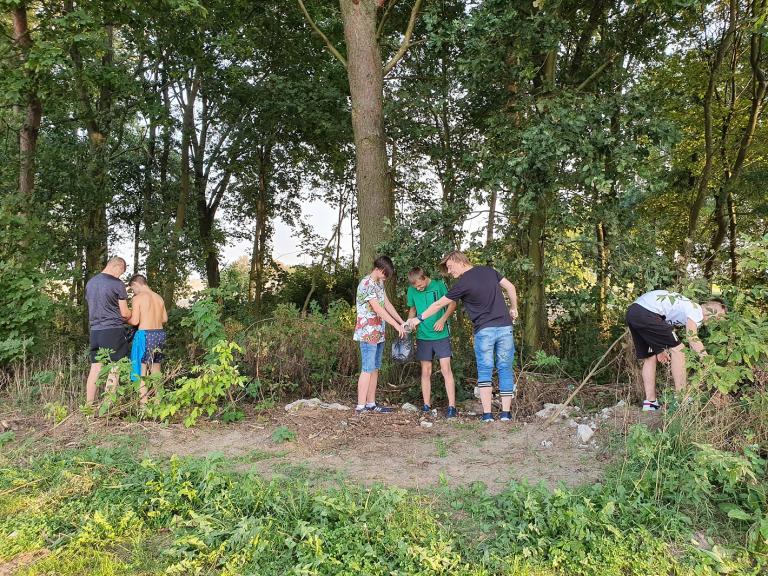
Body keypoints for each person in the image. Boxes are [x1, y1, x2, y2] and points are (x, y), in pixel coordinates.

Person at [407, 251, 518, 422]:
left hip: (485, 331)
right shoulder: (489, 271)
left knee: (485, 370)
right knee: (505, 369)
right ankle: (506, 414)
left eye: (450, 267)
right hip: (505, 327)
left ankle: (487, 415)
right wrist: (514, 308)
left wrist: (419, 318)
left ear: (458, 261)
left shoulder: (463, 283)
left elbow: (438, 304)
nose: (450, 272)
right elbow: (511, 287)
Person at [625, 290, 727, 411]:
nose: (719, 321)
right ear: (711, 310)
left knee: (650, 356)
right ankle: (681, 398)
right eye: (720, 316)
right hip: (648, 313)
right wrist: (708, 361)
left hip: (633, 312)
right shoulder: (696, 310)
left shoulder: (684, 306)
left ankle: (650, 403)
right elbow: (692, 337)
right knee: (679, 349)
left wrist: (658, 349)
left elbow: (659, 327)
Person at [354, 256, 406, 415]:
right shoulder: (366, 283)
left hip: (379, 332)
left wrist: (401, 320)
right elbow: (378, 309)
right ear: (379, 269)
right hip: (368, 332)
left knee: (375, 368)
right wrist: (395, 325)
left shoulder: (379, 283)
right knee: (367, 368)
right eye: (386, 274)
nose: (386, 277)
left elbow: (386, 304)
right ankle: (360, 407)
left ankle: (371, 404)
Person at [406, 267, 457, 417]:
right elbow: (412, 309)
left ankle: (452, 407)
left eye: (420, 285)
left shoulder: (439, 285)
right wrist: (410, 323)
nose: (418, 289)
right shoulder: (412, 290)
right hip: (423, 335)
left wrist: (443, 319)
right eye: (415, 287)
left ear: (424, 277)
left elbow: (452, 304)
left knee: (445, 370)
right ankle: (426, 406)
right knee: (425, 371)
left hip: (441, 334)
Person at [85, 256, 131, 405]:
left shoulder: (91, 283)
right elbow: (124, 313)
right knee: (115, 367)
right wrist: (132, 314)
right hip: (112, 330)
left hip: (95, 331)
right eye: (121, 272)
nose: (120, 275)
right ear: (117, 266)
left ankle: (89, 406)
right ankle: (107, 405)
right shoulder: (117, 284)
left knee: (96, 368)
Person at [127, 274, 168, 406]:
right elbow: (164, 319)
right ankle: (158, 405)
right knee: (156, 370)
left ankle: (144, 407)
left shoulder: (138, 298)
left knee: (140, 371)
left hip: (144, 335)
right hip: (160, 334)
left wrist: (124, 317)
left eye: (133, 289)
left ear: (136, 284)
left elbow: (134, 320)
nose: (134, 292)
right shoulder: (159, 298)